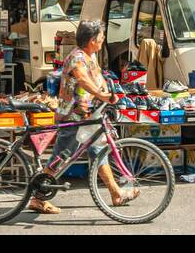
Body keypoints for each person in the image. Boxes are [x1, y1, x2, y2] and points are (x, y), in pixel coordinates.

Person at [30, 19, 132, 214]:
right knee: (61, 157)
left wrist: (110, 94)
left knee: (98, 151)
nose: (103, 40)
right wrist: (102, 95)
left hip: (88, 115)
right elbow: (83, 79)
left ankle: (116, 193)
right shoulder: (77, 57)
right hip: (73, 117)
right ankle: (38, 198)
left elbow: (97, 78)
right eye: (101, 37)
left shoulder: (89, 56)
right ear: (93, 40)